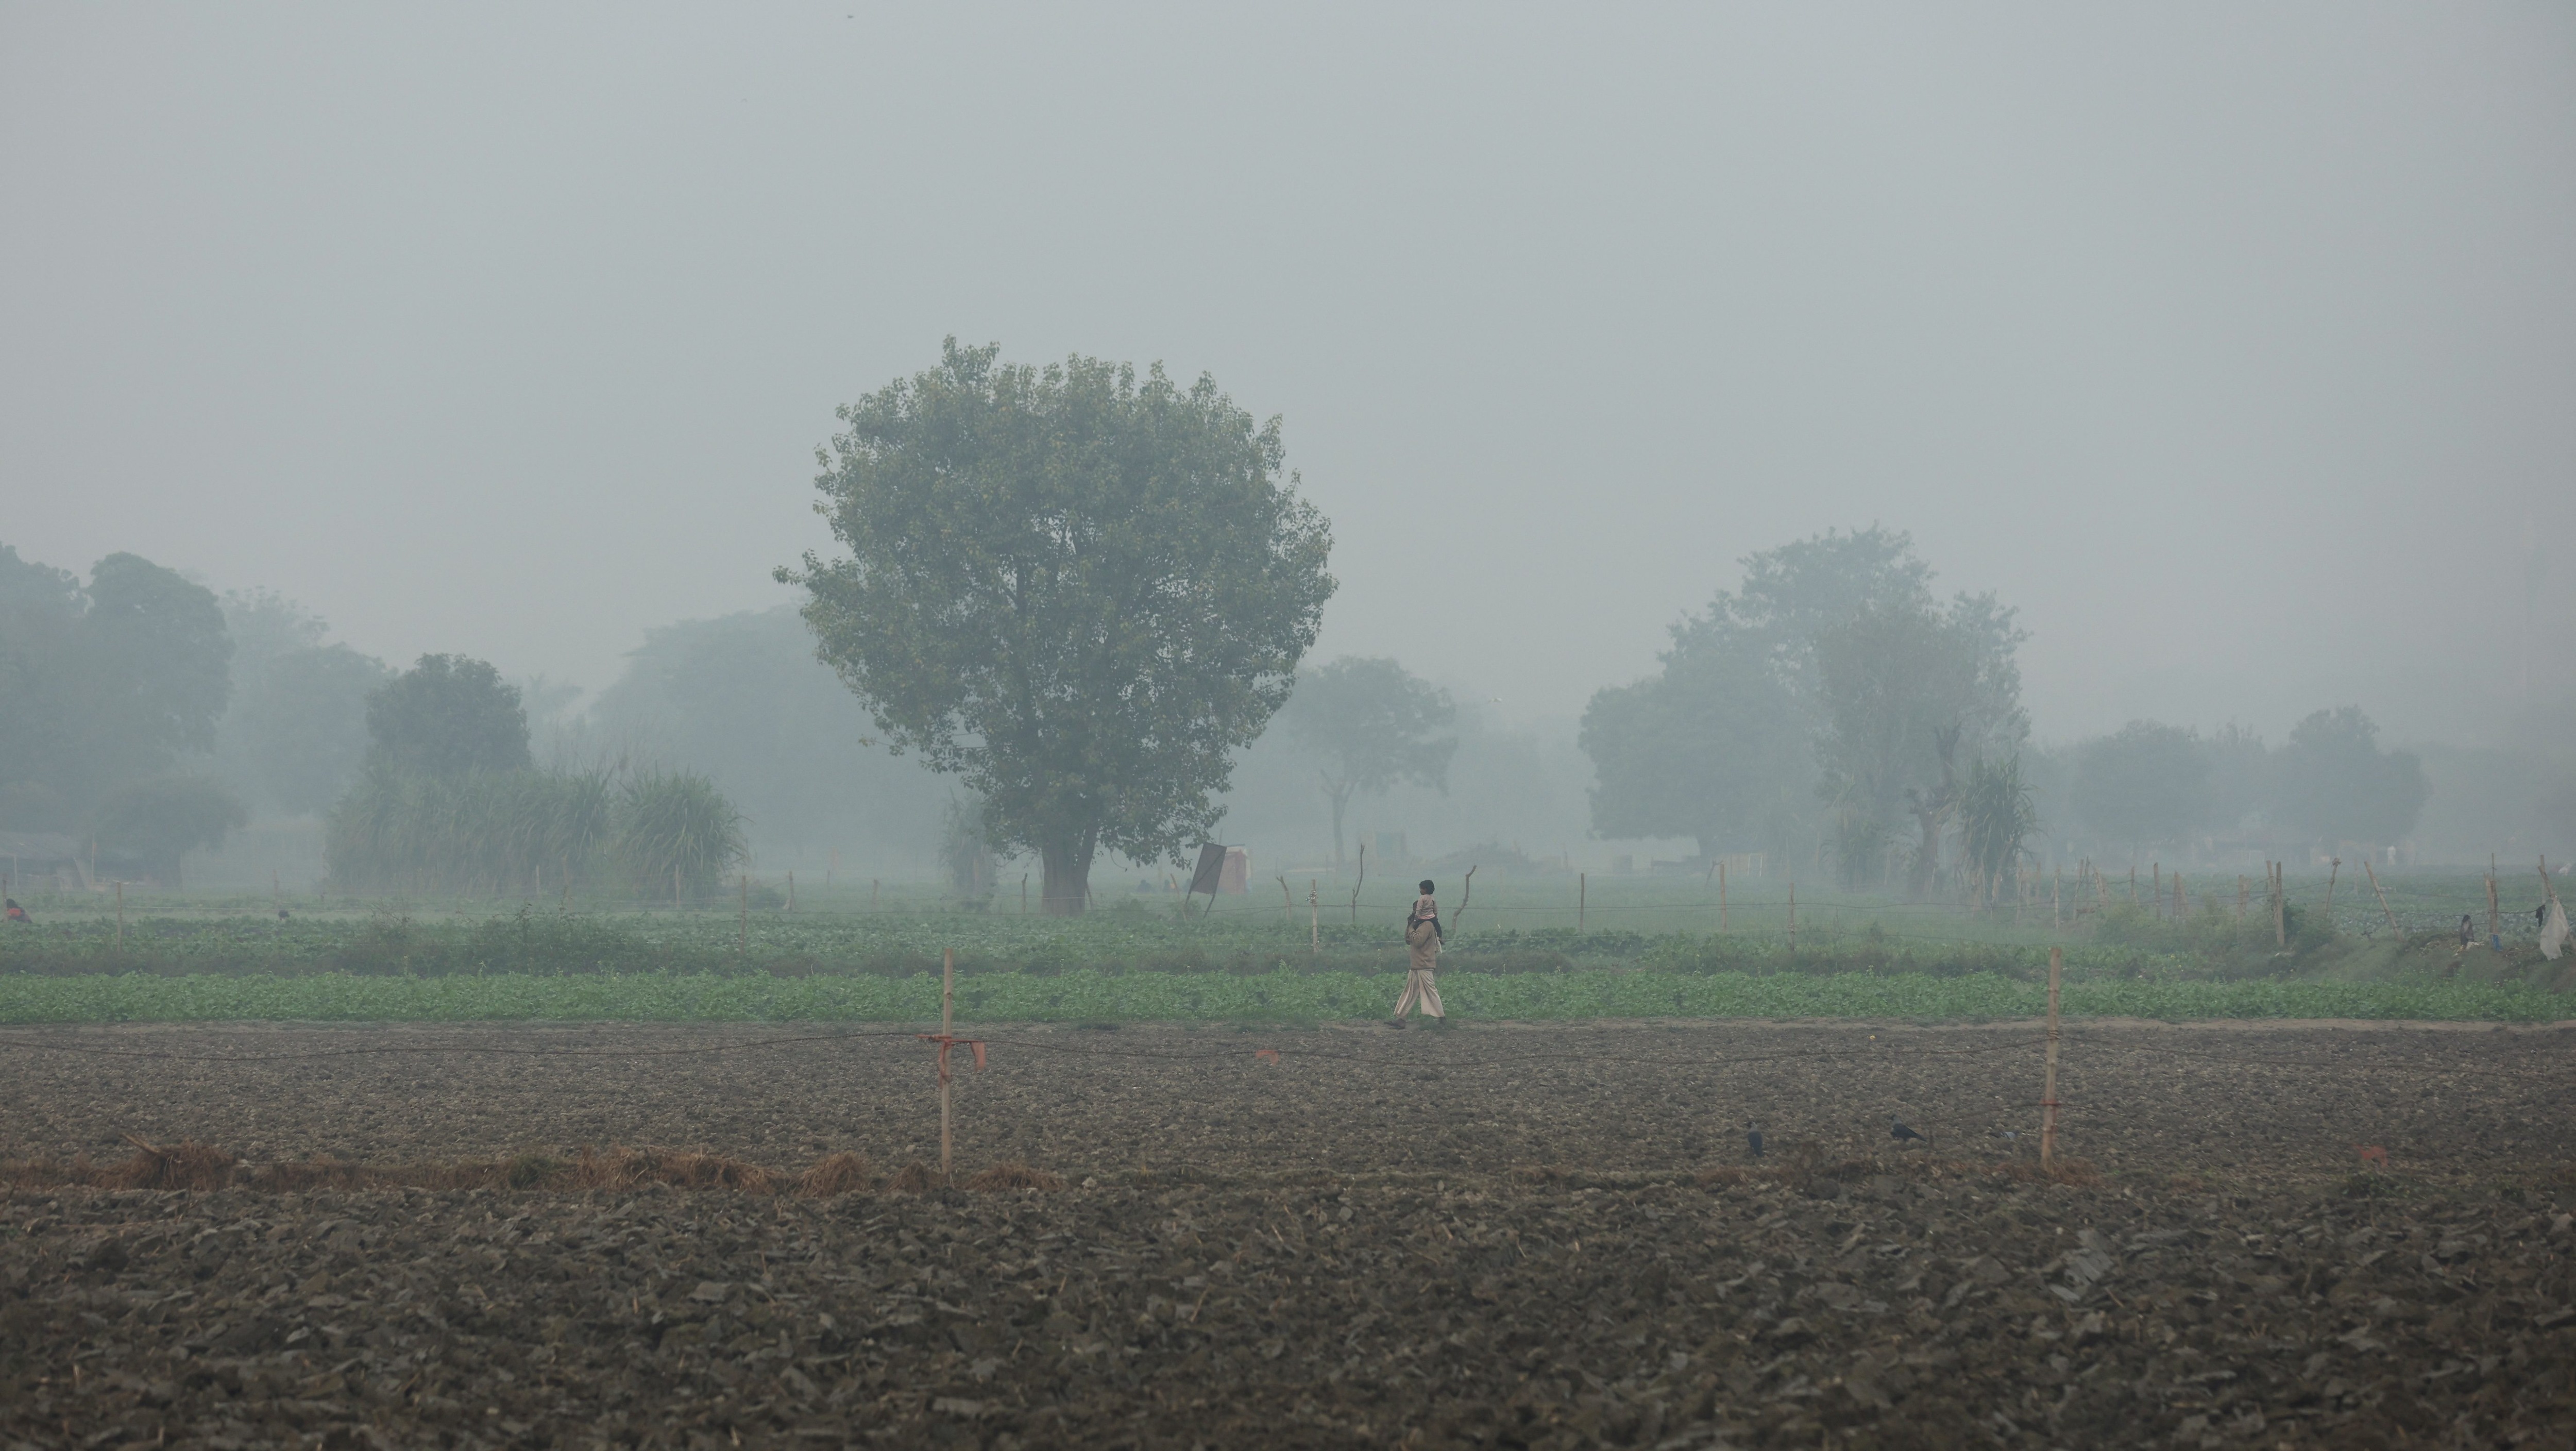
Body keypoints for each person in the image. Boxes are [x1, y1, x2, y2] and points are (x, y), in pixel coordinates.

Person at [1389, 879, 1445, 1028]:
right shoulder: (1421, 924)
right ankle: (1401, 1019)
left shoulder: (1427, 925)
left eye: (1416, 911)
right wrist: (1410, 925)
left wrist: (1412, 928)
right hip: (1418, 965)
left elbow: (1417, 941)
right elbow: (1408, 940)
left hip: (1424, 964)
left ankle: (1442, 1018)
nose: (1415, 913)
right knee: (1410, 992)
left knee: (1431, 991)